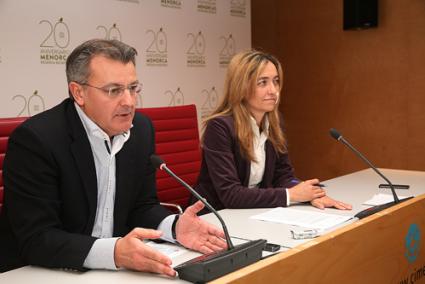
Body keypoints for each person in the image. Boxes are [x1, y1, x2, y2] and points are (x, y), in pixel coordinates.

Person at [0, 39, 226, 275]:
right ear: (78, 92)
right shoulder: (37, 140)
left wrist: (175, 226)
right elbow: (37, 238)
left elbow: (142, 206)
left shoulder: (141, 129)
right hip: (42, 271)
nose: (128, 101)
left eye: (133, 88)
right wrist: (115, 252)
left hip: (110, 271)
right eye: (114, 90)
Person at [193, 50, 352, 212]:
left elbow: (282, 175)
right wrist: (291, 195)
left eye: (276, 81)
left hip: (254, 211)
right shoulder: (220, 127)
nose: (273, 90)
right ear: (241, 87)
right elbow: (231, 195)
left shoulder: (274, 123)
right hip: (215, 216)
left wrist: (312, 194)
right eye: (262, 83)